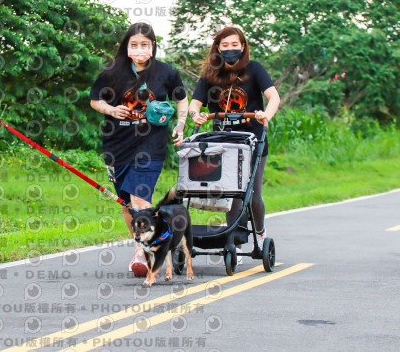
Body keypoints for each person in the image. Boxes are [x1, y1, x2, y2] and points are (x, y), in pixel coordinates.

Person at [90, 22, 188, 277]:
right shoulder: (112, 72)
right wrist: (111, 110)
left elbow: (181, 99)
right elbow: (95, 100)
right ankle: (144, 245)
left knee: (140, 198)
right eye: (134, 44)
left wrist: (180, 124)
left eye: (145, 44)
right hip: (117, 145)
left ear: (153, 46)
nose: (139, 48)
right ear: (126, 46)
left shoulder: (166, 72)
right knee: (127, 204)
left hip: (151, 145)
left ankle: (140, 253)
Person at [189, 26, 280, 260]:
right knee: (230, 192)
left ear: (242, 46)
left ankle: (260, 233)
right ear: (218, 48)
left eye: (234, 45)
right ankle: (234, 241)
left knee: (252, 193)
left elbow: (273, 96)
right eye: (225, 45)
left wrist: (266, 115)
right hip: (223, 143)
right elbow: (195, 103)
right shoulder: (211, 74)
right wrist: (195, 115)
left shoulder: (254, 69)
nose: (230, 49)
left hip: (253, 140)